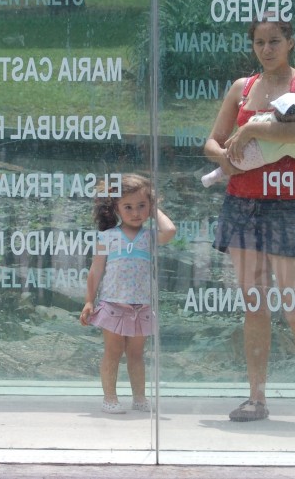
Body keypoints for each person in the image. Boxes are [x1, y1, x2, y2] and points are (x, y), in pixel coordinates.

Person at [204, 17, 295, 426]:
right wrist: (229, 159)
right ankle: (256, 399)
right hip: (243, 205)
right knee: (255, 306)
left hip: (291, 206)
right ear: (253, 47)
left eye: (275, 41)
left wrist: (248, 128)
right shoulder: (241, 88)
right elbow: (211, 142)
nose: (267, 49)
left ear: (290, 43)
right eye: (260, 42)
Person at [80, 174, 176, 414]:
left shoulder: (150, 237)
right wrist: (89, 301)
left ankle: (139, 398)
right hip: (113, 306)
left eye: (142, 206)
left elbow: (170, 230)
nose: (136, 212)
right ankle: (109, 398)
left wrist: (154, 209)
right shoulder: (107, 237)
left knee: (136, 354)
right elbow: (96, 270)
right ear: (116, 208)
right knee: (113, 352)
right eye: (128, 207)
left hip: (141, 308)